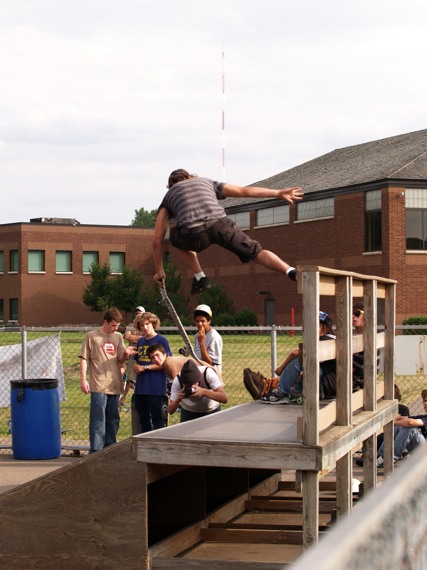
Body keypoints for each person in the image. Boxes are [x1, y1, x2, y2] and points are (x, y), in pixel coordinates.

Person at [152, 169, 304, 295]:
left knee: (176, 239)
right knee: (256, 252)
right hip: (221, 225)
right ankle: (289, 270)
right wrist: (277, 193)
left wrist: (160, 271)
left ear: (170, 185)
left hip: (194, 233)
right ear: (190, 177)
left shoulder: (169, 195)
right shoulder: (207, 182)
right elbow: (244, 191)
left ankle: (200, 277)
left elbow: (157, 240)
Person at [244, 311, 336, 403]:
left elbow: (295, 353)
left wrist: (280, 368)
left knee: (300, 360)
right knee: (310, 365)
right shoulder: (334, 338)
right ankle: (273, 386)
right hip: (338, 385)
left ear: (324, 328)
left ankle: (281, 392)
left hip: (327, 387)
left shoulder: (319, 340)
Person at [79, 307, 136, 454]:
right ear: (105, 322)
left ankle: (110, 449)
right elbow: (84, 359)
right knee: (98, 420)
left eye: (117, 326)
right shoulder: (92, 336)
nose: (115, 329)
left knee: (113, 419)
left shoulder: (118, 337)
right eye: (113, 325)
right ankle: (96, 451)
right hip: (98, 385)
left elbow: (120, 359)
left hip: (115, 385)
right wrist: (83, 380)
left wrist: (126, 354)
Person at [133, 312, 171, 432]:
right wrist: (136, 366)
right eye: (142, 325)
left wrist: (145, 368)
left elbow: (166, 363)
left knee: (158, 421)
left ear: (153, 323)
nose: (145, 327)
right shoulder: (140, 341)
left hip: (155, 388)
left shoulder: (161, 340)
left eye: (147, 324)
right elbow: (137, 361)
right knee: (143, 421)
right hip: (141, 388)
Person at [356, 384, 410, 467]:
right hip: (378, 438)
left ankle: (379, 458)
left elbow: (405, 425)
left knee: (395, 432)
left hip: (393, 438)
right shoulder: (376, 411)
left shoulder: (402, 409)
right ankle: (373, 457)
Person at [375, 389, 427, 467]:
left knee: (410, 428)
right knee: (401, 425)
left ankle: (389, 459)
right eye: (424, 401)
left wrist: (390, 423)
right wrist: (392, 420)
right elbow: (404, 418)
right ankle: (379, 457)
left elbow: (410, 422)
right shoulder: (424, 416)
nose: (425, 403)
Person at [121, 306, 145, 434]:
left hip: (142, 355)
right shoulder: (130, 325)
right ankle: (123, 399)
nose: (138, 314)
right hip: (131, 355)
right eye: (136, 312)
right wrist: (139, 339)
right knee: (129, 379)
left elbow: (144, 337)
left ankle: (137, 401)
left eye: (140, 312)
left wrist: (135, 338)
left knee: (139, 378)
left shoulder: (145, 325)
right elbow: (127, 337)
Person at [193, 304, 223, 371]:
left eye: (203, 321)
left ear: (209, 321)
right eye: (197, 321)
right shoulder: (197, 336)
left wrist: (201, 342)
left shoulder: (214, 336)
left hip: (211, 376)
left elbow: (209, 363)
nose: (199, 324)